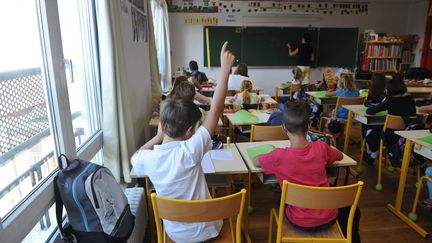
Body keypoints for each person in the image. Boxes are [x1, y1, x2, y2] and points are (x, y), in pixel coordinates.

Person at [131, 42, 235, 242]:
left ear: (162, 124)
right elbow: (215, 110)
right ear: (190, 131)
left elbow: (135, 156)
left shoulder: (148, 159)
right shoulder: (191, 150)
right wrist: (224, 70)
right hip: (209, 231)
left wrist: (157, 137)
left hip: (176, 235)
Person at [256, 101, 361, 243]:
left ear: (284, 128)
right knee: (352, 210)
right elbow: (340, 156)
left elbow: (256, 161)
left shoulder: (277, 156)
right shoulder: (321, 148)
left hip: (298, 220)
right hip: (328, 216)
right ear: (309, 126)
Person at [366, 74, 416, 149]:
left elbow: (369, 111)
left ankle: (371, 157)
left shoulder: (390, 100)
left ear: (389, 89)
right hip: (407, 134)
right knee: (375, 133)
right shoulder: (410, 98)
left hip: (391, 135)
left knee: (370, 133)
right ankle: (372, 156)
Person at [362, 73, 387, 164]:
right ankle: (370, 154)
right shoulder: (385, 95)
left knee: (366, 127)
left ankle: (370, 153)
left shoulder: (372, 93)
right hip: (386, 127)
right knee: (370, 129)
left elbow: (367, 106)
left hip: (376, 125)